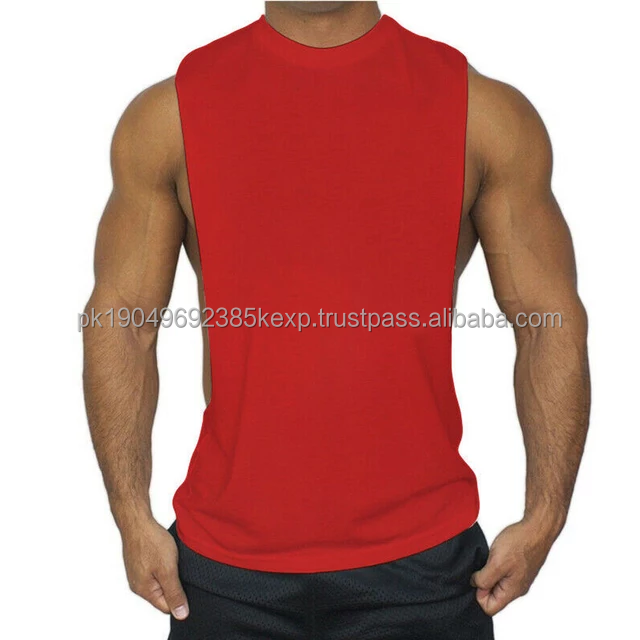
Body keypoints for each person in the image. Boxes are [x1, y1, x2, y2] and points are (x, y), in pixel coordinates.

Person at [83, 2, 590, 638]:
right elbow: (122, 322)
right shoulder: (169, 115)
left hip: (424, 567)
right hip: (225, 571)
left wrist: (546, 515)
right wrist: (130, 515)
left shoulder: (483, 112)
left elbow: (547, 318)